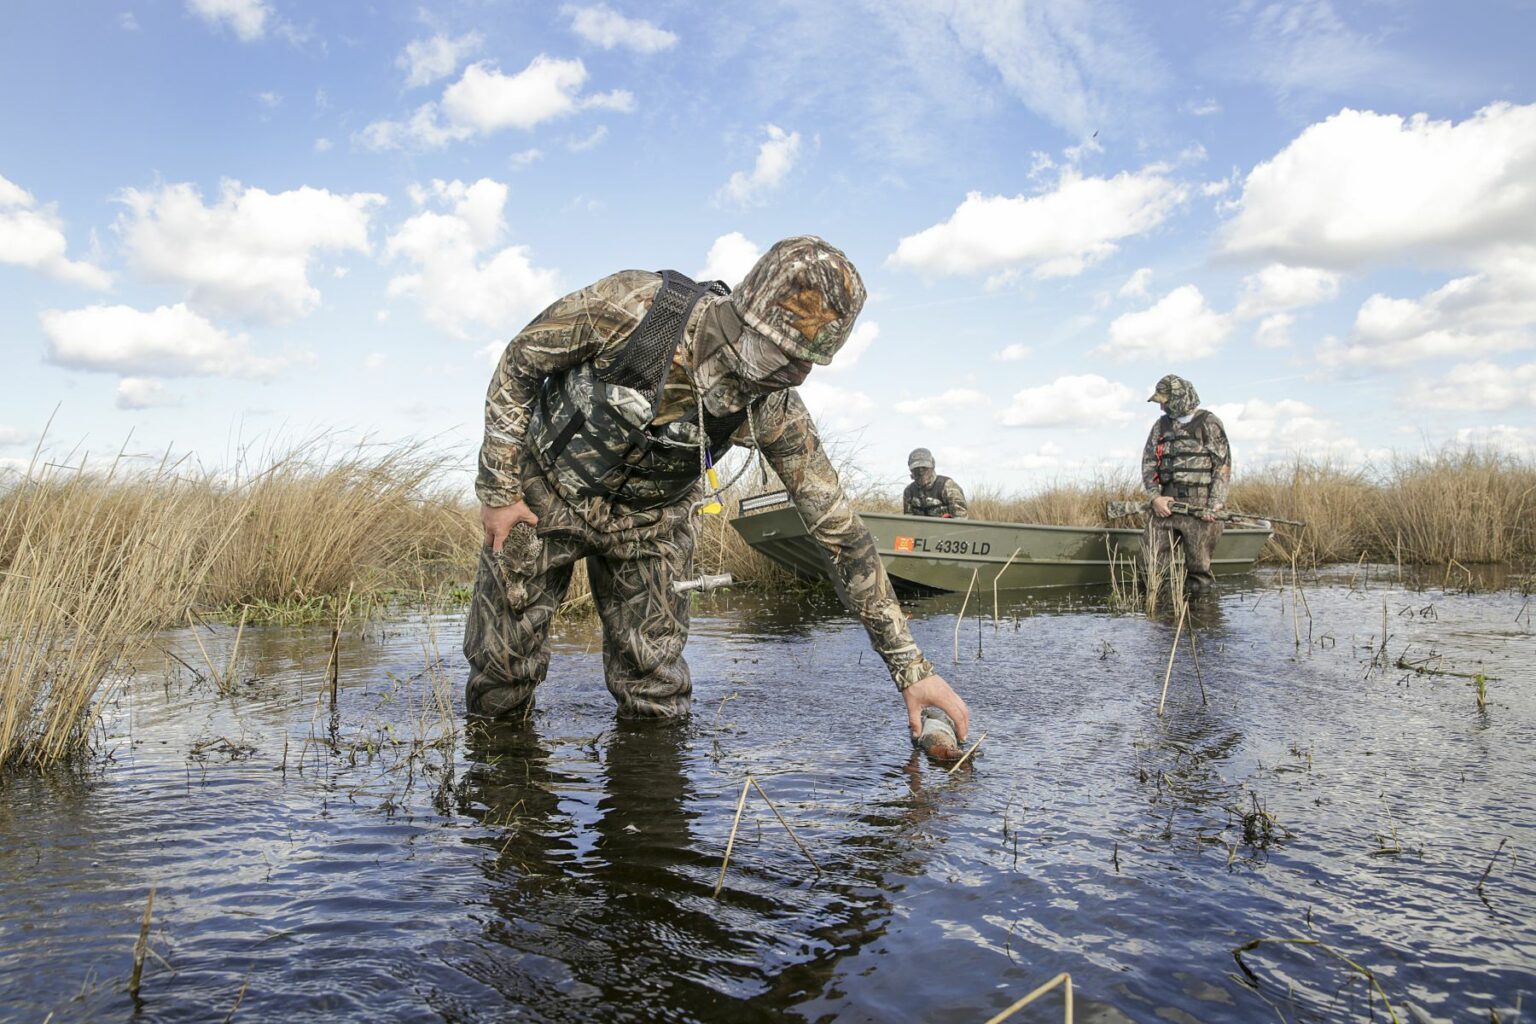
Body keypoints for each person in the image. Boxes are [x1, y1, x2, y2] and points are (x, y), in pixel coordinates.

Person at [465, 236, 970, 745]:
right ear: (745, 316)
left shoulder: (773, 406)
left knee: (656, 695)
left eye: (809, 363)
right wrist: (500, 489)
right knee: (501, 676)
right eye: (786, 354)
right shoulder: (631, 308)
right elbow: (520, 364)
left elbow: (841, 534)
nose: (796, 374)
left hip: (651, 528)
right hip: (539, 499)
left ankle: (650, 814)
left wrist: (912, 669)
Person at [1140, 374, 1232, 596]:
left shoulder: (1209, 423)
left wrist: (1214, 504)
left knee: (1199, 570)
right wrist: (1155, 498)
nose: (1161, 406)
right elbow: (1149, 464)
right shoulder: (1160, 426)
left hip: (1201, 506)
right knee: (1149, 565)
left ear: (1180, 398)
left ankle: (1201, 623)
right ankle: (1157, 623)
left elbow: (1222, 466)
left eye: (1165, 400)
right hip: (1166, 505)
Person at [901, 448, 969, 519]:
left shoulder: (948, 486)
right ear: (911, 470)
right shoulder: (909, 491)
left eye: (924, 467)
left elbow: (961, 520)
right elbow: (908, 521)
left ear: (932, 466)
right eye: (916, 468)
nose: (920, 471)